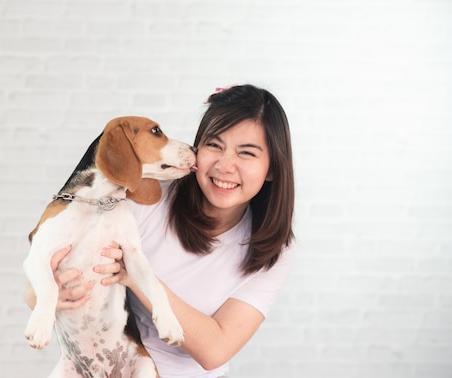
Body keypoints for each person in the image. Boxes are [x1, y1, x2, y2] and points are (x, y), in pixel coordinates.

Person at [25, 84, 296, 377]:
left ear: (271, 169)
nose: (225, 165)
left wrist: (135, 277)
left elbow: (214, 351)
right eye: (214, 145)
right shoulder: (146, 199)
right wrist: (48, 292)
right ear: (197, 149)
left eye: (246, 153)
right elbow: (37, 291)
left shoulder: (275, 251)